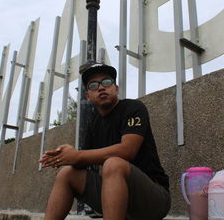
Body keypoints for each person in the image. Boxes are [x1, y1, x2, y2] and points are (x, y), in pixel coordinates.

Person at [39, 63, 170, 220]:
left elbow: (127, 150)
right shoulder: (94, 123)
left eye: (107, 82)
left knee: (113, 164)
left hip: (153, 202)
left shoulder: (133, 108)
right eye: (94, 85)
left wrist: (77, 155)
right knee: (67, 173)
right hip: (115, 200)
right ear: (87, 96)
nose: (101, 87)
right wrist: (67, 154)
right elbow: (82, 161)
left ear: (116, 88)